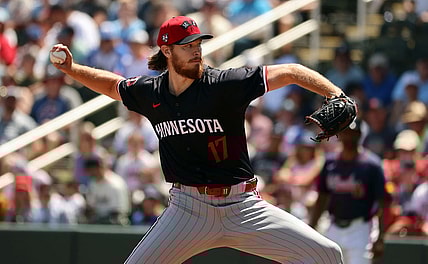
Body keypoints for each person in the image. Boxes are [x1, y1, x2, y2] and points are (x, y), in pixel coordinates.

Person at [50, 16, 344, 264]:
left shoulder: (225, 84)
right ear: (166, 51)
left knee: (327, 255)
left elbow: (291, 71)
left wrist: (335, 95)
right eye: (187, 46)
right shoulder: (152, 93)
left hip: (242, 205)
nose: (196, 52)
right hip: (188, 209)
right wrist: (72, 70)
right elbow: (113, 85)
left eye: (197, 44)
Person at [309, 119, 386, 264]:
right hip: (333, 225)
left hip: (360, 229)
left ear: (360, 136)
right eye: (346, 133)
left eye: (354, 134)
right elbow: (322, 197)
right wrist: (312, 228)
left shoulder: (372, 165)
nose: (350, 138)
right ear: (340, 135)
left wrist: (380, 236)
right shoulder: (330, 162)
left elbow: (382, 202)